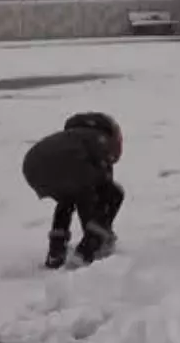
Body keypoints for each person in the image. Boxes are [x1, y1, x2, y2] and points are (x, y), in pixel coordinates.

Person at [22, 112, 125, 269]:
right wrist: (100, 233)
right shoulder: (98, 138)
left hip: (32, 165)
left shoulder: (71, 138)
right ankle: (87, 252)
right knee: (114, 194)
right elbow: (102, 194)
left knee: (67, 199)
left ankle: (55, 253)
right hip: (71, 163)